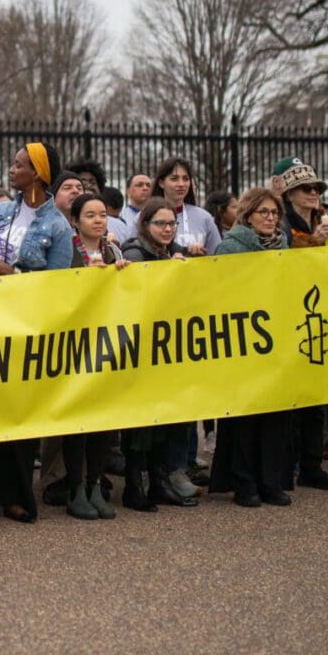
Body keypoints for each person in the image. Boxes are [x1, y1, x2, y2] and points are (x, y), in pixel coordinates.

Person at [0, 142, 73, 523]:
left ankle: (15, 496)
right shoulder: (2, 210)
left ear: (36, 173)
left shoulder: (58, 227)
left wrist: (13, 274)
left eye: (18, 164)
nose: (10, 169)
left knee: (18, 415)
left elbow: (58, 289)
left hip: (23, 329)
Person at [210, 187, 294, 506]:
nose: (271, 219)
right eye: (264, 212)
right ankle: (244, 482)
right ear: (247, 214)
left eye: (275, 213)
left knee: (274, 415)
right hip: (243, 342)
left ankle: (270, 480)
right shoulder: (230, 248)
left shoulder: (284, 247)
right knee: (245, 417)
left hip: (276, 341)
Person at [119, 198, 198, 510]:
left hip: (166, 351)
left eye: (171, 223)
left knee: (166, 418)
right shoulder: (134, 253)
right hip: (139, 351)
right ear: (145, 225)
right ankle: (134, 485)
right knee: (141, 423)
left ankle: (159, 482)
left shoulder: (171, 253)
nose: (167, 229)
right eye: (160, 223)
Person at [272, 158, 328, 488]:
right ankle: (289, 464)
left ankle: (312, 465)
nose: (314, 193)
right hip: (292, 317)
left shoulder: (326, 223)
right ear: (289, 193)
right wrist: (316, 240)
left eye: (317, 188)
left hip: (320, 315)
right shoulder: (282, 226)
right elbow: (287, 266)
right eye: (306, 188)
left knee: (318, 395)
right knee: (293, 398)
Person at [62, 192, 125, 520]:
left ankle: (95, 485)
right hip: (74, 345)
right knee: (78, 422)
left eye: (102, 214)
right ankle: (75, 490)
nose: (99, 220)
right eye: (90, 215)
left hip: (107, 345)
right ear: (75, 220)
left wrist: (123, 274)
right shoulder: (66, 251)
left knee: (104, 420)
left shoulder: (114, 250)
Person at [153, 157, 220, 255]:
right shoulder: (145, 217)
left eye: (186, 179)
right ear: (161, 183)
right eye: (174, 179)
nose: (181, 184)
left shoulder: (204, 217)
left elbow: (218, 257)